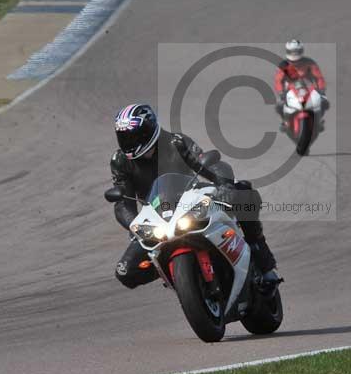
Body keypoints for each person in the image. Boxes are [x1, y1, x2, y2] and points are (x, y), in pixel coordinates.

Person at [109, 103, 280, 289]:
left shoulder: (176, 142)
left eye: (134, 136)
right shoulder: (120, 161)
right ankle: (173, 271)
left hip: (193, 200)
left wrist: (224, 185)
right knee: (125, 272)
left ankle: (261, 255)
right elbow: (121, 202)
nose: (129, 142)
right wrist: (134, 226)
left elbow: (209, 164)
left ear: (149, 131)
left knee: (244, 191)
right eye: (124, 137)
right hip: (158, 217)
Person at [274, 39, 329, 130]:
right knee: (279, 105)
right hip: (289, 88)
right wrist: (280, 92)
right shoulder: (283, 65)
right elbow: (278, 81)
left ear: (301, 51)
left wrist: (321, 90)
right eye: (292, 52)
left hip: (309, 87)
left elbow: (319, 78)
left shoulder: (310, 63)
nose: (294, 55)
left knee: (324, 102)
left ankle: (319, 120)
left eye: (296, 52)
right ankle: (285, 121)